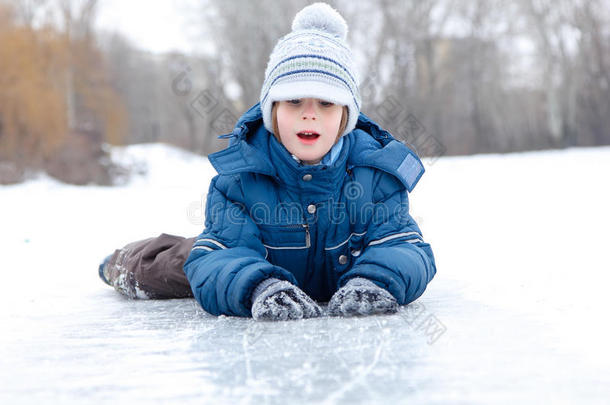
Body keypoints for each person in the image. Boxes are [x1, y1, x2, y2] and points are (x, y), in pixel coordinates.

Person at [98, 2, 437, 321]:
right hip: (253, 258)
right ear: (271, 111)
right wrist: (259, 286)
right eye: (293, 101)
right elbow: (224, 255)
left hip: (344, 277)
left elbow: (402, 245)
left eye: (326, 103)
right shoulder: (242, 178)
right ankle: (122, 262)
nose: (309, 115)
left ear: (346, 115)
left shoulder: (376, 176)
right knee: (183, 263)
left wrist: (375, 281)